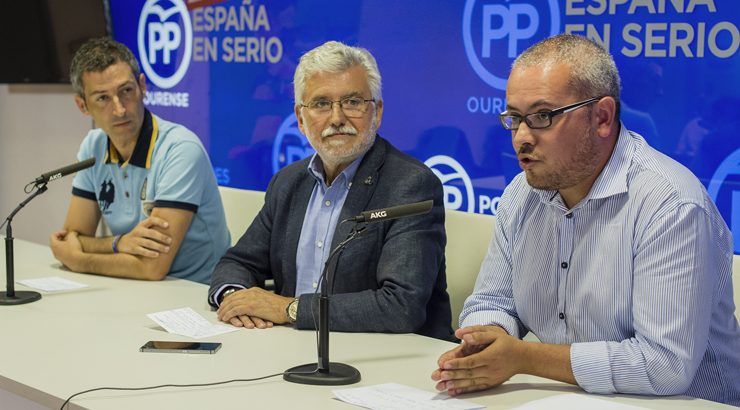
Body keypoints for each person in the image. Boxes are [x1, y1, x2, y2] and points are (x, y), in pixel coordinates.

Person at [432, 34, 740, 405]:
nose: (521, 139)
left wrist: (522, 357)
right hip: (569, 397)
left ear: (602, 117)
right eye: (514, 118)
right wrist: (486, 339)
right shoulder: (521, 193)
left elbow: (664, 366)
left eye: (542, 116)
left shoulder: (670, 204)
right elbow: (493, 301)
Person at [208, 41, 453, 341]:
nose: (337, 118)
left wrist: (289, 309)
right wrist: (236, 298)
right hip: (295, 349)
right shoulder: (288, 182)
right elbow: (238, 262)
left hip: (389, 361)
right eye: (322, 104)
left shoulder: (410, 185)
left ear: (376, 111)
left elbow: (401, 305)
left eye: (352, 102)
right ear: (300, 118)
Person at [49, 38, 230, 284]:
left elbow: (152, 267)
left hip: (196, 292)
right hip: (132, 286)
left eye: (126, 91)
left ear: (142, 86)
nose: (120, 109)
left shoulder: (180, 149)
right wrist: (118, 243)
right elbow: (72, 237)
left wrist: (81, 261)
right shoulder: (94, 146)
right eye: (102, 98)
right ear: (83, 106)